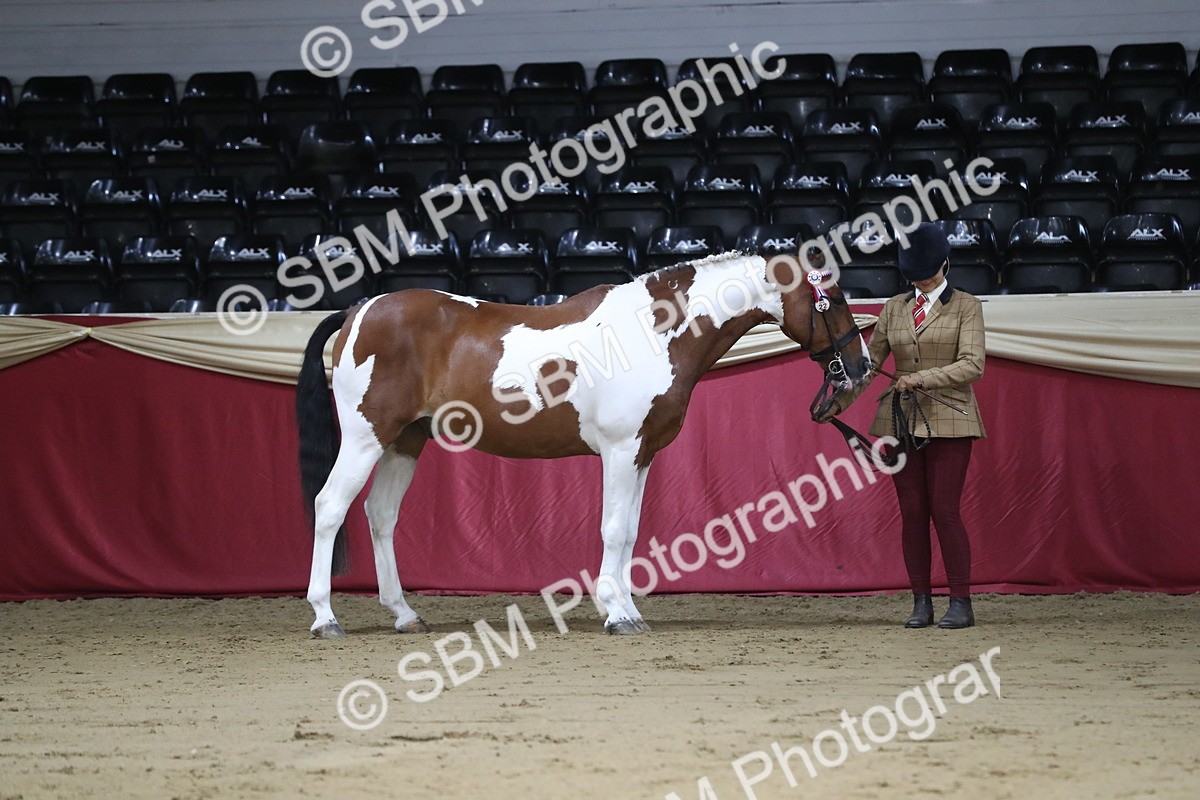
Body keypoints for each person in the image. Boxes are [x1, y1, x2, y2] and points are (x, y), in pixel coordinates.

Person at [820, 223, 986, 629]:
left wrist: (921, 378)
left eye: (928, 274)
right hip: (901, 421)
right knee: (912, 514)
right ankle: (921, 602)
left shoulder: (967, 306)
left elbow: (973, 364)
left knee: (944, 511)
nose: (922, 282)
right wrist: (836, 402)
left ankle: (960, 602)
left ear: (945, 264)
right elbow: (869, 366)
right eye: (915, 276)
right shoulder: (894, 308)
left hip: (950, 418)